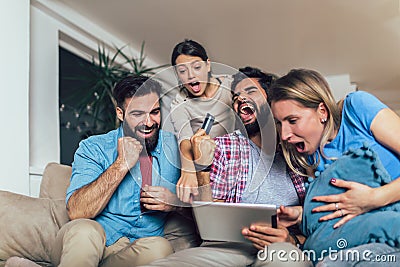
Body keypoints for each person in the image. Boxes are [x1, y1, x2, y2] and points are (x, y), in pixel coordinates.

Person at [140, 67, 311, 267]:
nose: (240, 100)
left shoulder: (298, 146)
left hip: (281, 243)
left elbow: (315, 219)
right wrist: (202, 167)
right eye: (236, 97)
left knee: (282, 260)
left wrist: (295, 241)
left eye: (250, 91)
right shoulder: (224, 146)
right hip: (230, 246)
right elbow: (208, 220)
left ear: (272, 99)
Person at [269, 68, 400, 266]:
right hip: (360, 239)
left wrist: (373, 198)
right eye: (279, 123)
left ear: (322, 111)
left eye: (292, 120)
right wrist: (300, 216)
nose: (285, 134)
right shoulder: (304, 156)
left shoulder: (356, 108)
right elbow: (334, 218)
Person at [53, 75, 185, 267]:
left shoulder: (175, 148)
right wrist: (121, 164)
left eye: (155, 112)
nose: (148, 122)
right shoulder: (93, 147)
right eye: (138, 114)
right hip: (89, 241)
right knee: (85, 231)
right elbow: (76, 211)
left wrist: (175, 203)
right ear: (120, 114)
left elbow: (206, 203)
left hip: (134, 250)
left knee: (160, 248)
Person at [169, 39, 236, 203]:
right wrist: (188, 171)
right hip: (205, 167)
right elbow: (184, 136)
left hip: (234, 159)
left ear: (208, 65)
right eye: (182, 71)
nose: (191, 75)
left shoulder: (231, 84)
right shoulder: (180, 102)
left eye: (197, 67)